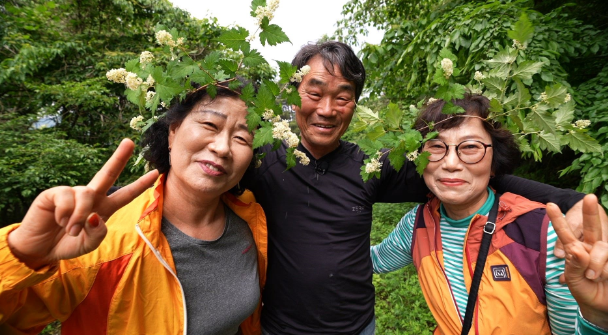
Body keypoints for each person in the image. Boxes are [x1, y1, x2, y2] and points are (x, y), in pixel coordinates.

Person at [248, 41, 601, 335]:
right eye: (314, 92)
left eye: (342, 97)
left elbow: (461, 177)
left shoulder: (368, 167)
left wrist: (572, 202)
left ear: (355, 104)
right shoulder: (257, 158)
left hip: (356, 327)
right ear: (294, 92)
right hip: (279, 326)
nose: (326, 109)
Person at [0, 83, 268, 335]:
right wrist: (22, 254)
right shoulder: (101, 241)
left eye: (242, 139)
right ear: (172, 131)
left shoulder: (251, 220)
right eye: (210, 124)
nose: (222, 148)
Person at [370, 94, 608, 334]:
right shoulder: (417, 224)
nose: (451, 163)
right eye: (436, 146)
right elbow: (373, 261)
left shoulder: (544, 234)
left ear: (495, 163)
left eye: (471, 146)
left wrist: (597, 317)